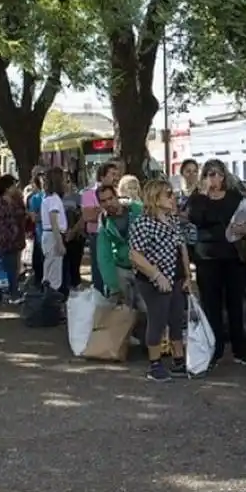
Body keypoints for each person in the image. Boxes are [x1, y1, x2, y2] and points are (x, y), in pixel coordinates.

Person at [188, 159, 246, 368]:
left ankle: (241, 349)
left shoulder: (235, 197)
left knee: (236, 303)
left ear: (224, 176)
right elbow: (198, 219)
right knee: (211, 304)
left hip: (233, 256)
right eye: (209, 174)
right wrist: (207, 195)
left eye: (218, 174)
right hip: (207, 257)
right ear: (204, 177)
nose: (214, 178)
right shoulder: (197, 199)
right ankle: (214, 349)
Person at [128, 179, 190, 382]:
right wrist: (156, 275)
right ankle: (154, 365)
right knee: (158, 319)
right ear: (155, 198)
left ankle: (179, 360)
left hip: (176, 278)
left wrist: (188, 277)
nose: (173, 198)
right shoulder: (143, 223)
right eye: (168, 194)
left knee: (176, 319)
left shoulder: (172, 221)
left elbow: (182, 249)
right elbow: (135, 255)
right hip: (153, 281)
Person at [96, 184, 143, 306]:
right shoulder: (104, 222)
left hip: (144, 266)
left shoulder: (138, 210)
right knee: (124, 310)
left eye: (110, 198)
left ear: (116, 196)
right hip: (122, 267)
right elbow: (104, 255)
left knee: (146, 308)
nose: (108, 203)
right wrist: (112, 285)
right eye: (103, 201)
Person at [0, 175, 27, 305]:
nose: (16, 187)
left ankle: (13, 293)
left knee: (13, 268)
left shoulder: (17, 201)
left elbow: (23, 217)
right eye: (14, 185)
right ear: (7, 187)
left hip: (15, 241)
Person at [83, 162, 121, 294]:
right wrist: (105, 209)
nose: (116, 177)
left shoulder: (119, 192)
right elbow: (88, 216)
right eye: (112, 174)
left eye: (117, 174)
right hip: (98, 235)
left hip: (117, 235)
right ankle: (100, 296)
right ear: (102, 176)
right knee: (99, 268)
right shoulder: (89, 194)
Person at [39, 167, 69, 293]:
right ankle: (51, 297)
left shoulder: (48, 198)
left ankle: (48, 293)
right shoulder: (54, 199)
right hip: (53, 235)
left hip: (49, 235)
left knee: (50, 267)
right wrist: (59, 242)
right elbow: (54, 221)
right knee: (54, 272)